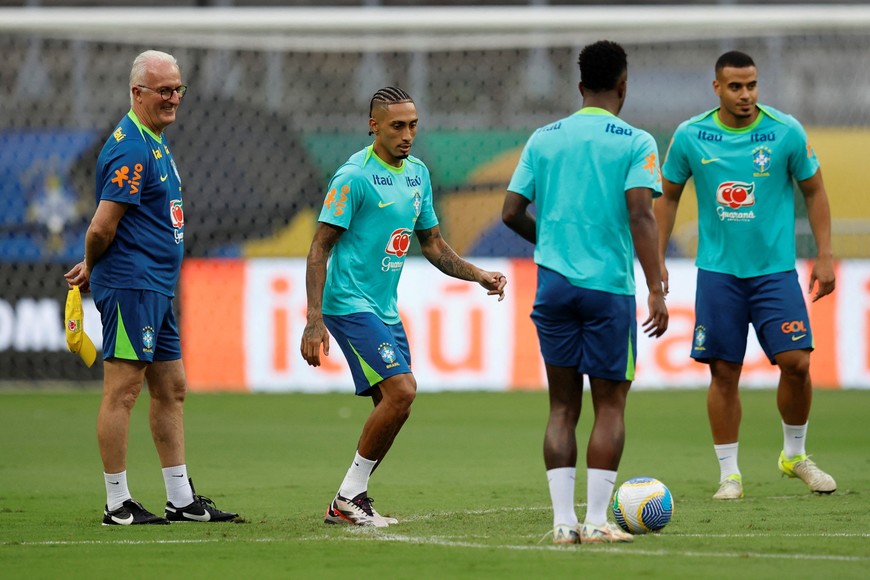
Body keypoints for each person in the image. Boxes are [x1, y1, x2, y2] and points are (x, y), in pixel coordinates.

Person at [300, 86, 507, 528]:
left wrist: (478, 275)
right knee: (403, 391)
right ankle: (347, 498)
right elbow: (319, 248)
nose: (407, 134)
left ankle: (352, 497)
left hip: (384, 309)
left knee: (396, 405)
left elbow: (432, 244)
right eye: (397, 126)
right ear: (373, 126)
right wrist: (314, 319)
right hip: (348, 304)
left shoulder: (418, 174)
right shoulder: (353, 177)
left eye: (413, 125)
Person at [502, 40, 668, 545]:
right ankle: (596, 521)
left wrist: (550, 242)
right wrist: (657, 286)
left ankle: (562, 524)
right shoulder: (636, 141)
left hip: (553, 286)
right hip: (606, 288)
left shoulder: (544, 138)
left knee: (561, 408)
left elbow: (510, 212)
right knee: (609, 407)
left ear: (579, 87)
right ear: (623, 85)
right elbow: (641, 214)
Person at [64, 50, 238, 525]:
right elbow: (101, 227)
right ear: (136, 92)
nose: (173, 98)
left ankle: (180, 499)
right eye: (163, 90)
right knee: (123, 391)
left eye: (178, 89)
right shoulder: (131, 148)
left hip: (155, 287)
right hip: (133, 285)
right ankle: (117, 503)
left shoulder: (153, 140)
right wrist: (91, 264)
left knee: (172, 388)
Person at [655, 50, 837, 500]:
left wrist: (825, 254)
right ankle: (730, 475)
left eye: (752, 85)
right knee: (724, 372)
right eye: (735, 86)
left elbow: (814, 190)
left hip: (775, 272)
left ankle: (794, 455)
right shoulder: (691, 135)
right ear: (716, 88)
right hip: (719, 274)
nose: (745, 95)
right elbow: (668, 197)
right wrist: (656, 258)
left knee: (797, 364)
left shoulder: (785, 130)